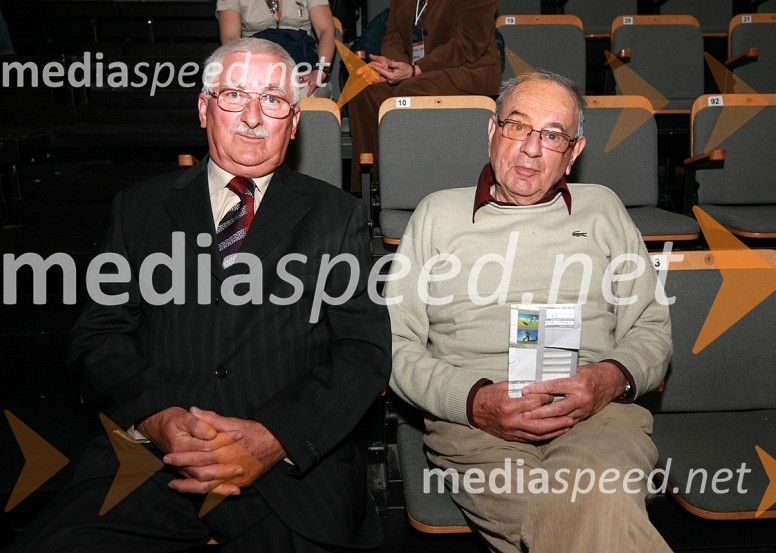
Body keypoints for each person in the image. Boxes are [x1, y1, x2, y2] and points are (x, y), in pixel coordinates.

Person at [3, 38, 391, 553]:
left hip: (290, 470)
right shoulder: (139, 208)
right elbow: (98, 337)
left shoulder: (337, 216)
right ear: (204, 109)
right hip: (152, 461)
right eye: (234, 95)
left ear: (294, 122)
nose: (253, 116)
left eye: (273, 100)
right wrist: (159, 417)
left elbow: (363, 351)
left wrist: (273, 438)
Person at [386, 70, 673, 552]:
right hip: (476, 425)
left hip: (596, 414)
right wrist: (475, 401)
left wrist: (604, 381)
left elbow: (651, 327)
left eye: (553, 135)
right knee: (597, 510)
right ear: (492, 131)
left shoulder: (602, 209)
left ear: (574, 152)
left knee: (585, 504)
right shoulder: (437, 215)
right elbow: (395, 344)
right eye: (518, 126)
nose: (532, 148)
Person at [347, 0, 501, 192]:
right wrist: (394, 66)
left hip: (466, 71)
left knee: (409, 94)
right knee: (363, 89)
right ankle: (369, 188)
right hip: (416, 74)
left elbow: (468, 44)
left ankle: (409, 185)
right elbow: (393, 34)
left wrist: (416, 70)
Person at [216, 0, 336, 98]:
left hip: (302, 70)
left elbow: (325, 30)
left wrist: (321, 70)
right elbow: (231, 39)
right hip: (256, 70)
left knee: (304, 98)